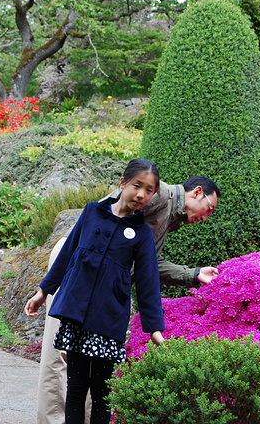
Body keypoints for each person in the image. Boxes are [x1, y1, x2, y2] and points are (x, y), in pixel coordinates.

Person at [34, 174, 222, 424]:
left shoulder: (167, 216)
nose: (205, 217)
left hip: (104, 280)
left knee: (97, 383)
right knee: (62, 358)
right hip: (81, 266)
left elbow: (148, 266)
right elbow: (109, 211)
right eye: (209, 209)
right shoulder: (160, 195)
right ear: (197, 192)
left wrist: (193, 274)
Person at [25, 159, 167, 424]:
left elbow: (148, 282)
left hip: (108, 320)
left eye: (149, 190)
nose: (141, 195)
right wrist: (43, 291)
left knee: (102, 393)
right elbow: (66, 256)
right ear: (123, 183)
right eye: (137, 186)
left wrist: (155, 330)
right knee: (76, 389)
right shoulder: (91, 212)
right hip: (76, 315)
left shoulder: (142, 233)